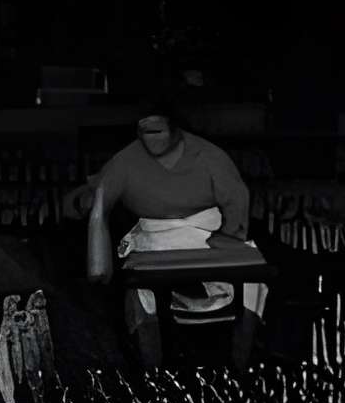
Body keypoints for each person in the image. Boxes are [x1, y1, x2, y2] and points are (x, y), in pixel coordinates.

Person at [70, 103, 267, 368]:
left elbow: (236, 200)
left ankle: (241, 367)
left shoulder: (208, 155)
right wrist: (89, 206)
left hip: (210, 237)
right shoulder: (126, 160)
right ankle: (153, 372)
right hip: (153, 243)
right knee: (140, 293)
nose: (152, 138)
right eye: (146, 131)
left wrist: (230, 238)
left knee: (253, 281)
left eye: (158, 130)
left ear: (175, 130)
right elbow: (92, 200)